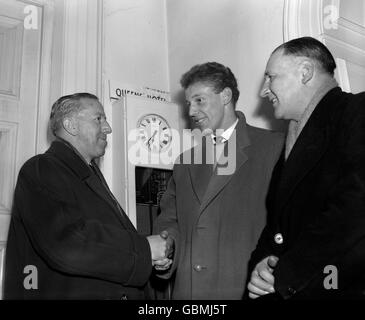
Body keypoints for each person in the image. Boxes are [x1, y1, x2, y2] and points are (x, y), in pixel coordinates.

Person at [4, 93, 171, 299]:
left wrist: (151, 257)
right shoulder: (41, 168)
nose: (108, 127)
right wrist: (144, 250)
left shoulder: (88, 175)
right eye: (98, 118)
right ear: (71, 125)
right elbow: (67, 243)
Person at [153, 62, 284, 299]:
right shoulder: (185, 161)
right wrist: (167, 251)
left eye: (199, 100)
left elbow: (290, 223)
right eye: (188, 103)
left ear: (226, 95)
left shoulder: (273, 147)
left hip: (244, 288)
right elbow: (170, 220)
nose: (191, 112)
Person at [247, 36, 365, 299]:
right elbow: (277, 229)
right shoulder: (293, 140)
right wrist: (259, 270)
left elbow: (355, 207)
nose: (263, 91)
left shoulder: (357, 111)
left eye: (271, 77)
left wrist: (286, 274)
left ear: (305, 72)